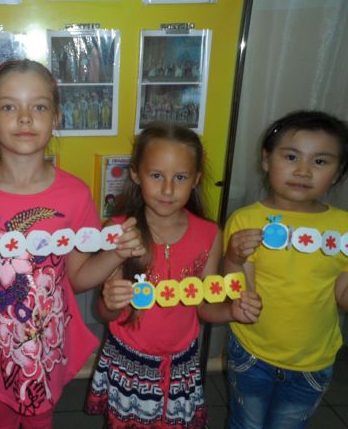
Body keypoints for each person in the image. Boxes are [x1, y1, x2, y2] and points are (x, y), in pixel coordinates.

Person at [0, 59, 145, 429]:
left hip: (47, 343)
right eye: (9, 107)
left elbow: (79, 278)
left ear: (55, 118)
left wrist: (116, 253)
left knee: (41, 420)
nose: (25, 118)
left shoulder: (75, 194)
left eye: (38, 107)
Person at [85, 122, 262, 428]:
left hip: (182, 363)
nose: (168, 189)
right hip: (130, 359)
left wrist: (231, 311)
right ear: (136, 174)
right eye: (156, 175)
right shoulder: (119, 231)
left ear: (196, 180)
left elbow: (205, 305)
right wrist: (109, 302)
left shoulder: (209, 234)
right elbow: (104, 312)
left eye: (180, 177)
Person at [223, 110, 348, 429]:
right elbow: (236, 291)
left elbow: (343, 296)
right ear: (267, 160)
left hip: (313, 360)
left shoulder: (343, 227)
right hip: (251, 351)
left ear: (337, 172)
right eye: (291, 157)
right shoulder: (246, 220)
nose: (303, 171)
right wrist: (234, 259)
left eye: (320, 161)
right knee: (246, 424)